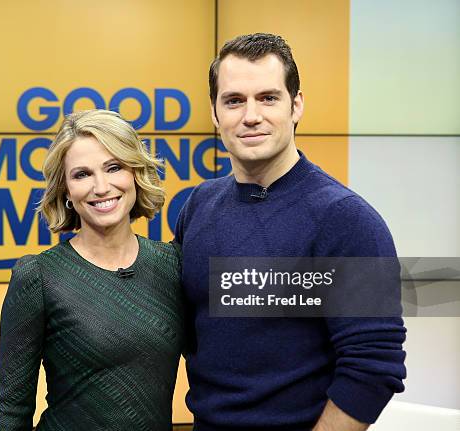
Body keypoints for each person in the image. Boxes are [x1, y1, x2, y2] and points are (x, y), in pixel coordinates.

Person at [174, 33, 406, 431]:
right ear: (214, 113)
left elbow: (373, 368)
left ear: (296, 105)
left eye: (268, 98)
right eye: (233, 101)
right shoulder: (199, 205)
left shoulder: (348, 220)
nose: (250, 116)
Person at [0, 109, 184, 430]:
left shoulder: (173, 265)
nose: (101, 186)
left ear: (135, 173)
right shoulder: (39, 276)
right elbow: (12, 411)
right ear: (66, 190)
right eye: (82, 174)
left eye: (114, 167)